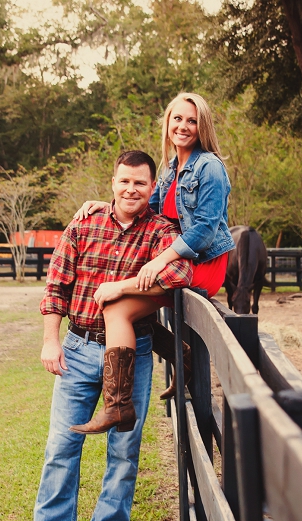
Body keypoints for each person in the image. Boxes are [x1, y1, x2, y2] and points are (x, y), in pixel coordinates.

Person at [33, 150, 193, 521]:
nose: (131, 190)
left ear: (151, 187)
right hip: (80, 347)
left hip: (133, 352)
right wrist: (51, 342)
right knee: (61, 447)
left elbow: (181, 275)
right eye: (124, 181)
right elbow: (57, 285)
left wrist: (124, 286)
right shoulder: (84, 223)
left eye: (140, 183)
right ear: (113, 181)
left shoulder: (161, 232)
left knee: (124, 449)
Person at [68, 92, 235, 434]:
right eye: (178, 119)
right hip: (175, 260)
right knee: (123, 308)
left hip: (201, 263)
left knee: (116, 307)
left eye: (192, 120)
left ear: (202, 125)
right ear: (168, 123)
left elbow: (203, 231)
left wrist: (159, 260)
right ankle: (182, 357)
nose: (184, 126)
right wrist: (105, 203)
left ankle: (118, 408)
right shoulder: (171, 168)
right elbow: (148, 209)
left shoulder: (210, 167)